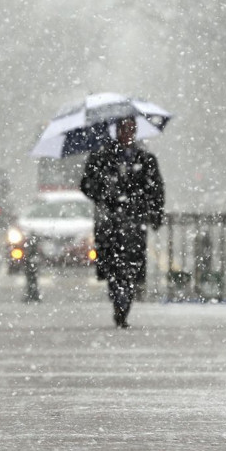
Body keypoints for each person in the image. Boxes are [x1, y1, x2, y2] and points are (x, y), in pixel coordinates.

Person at [79, 117, 164, 329]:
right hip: (110, 223)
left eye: (131, 129)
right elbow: (87, 185)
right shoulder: (101, 157)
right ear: (116, 131)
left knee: (131, 268)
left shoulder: (145, 159)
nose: (127, 133)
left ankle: (123, 305)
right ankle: (119, 302)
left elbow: (156, 190)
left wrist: (153, 213)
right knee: (113, 267)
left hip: (134, 223)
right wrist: (105, 192)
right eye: (124, 129)